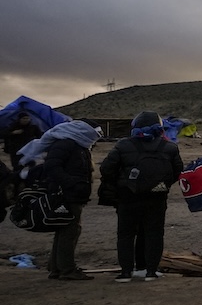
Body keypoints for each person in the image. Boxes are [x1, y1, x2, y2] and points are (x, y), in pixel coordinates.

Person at [99, 111, 183, 283]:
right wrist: (161, 185)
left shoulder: (123, 145)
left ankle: (125, 272)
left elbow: (106, 169)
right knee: (154, 233)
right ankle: (150, 271)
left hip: (127, 197)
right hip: (157, 197)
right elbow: (177, 172)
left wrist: (121, 184)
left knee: (126, 234)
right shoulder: (170, 147)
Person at [23, 121, 102, 280]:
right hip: (66, 195)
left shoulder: (78, 144)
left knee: (65, 229)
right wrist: (71, 183)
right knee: (70, 231)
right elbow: (52, 167)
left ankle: (56, 267)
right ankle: (67, 269)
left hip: (73, 194)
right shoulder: (66, 144)